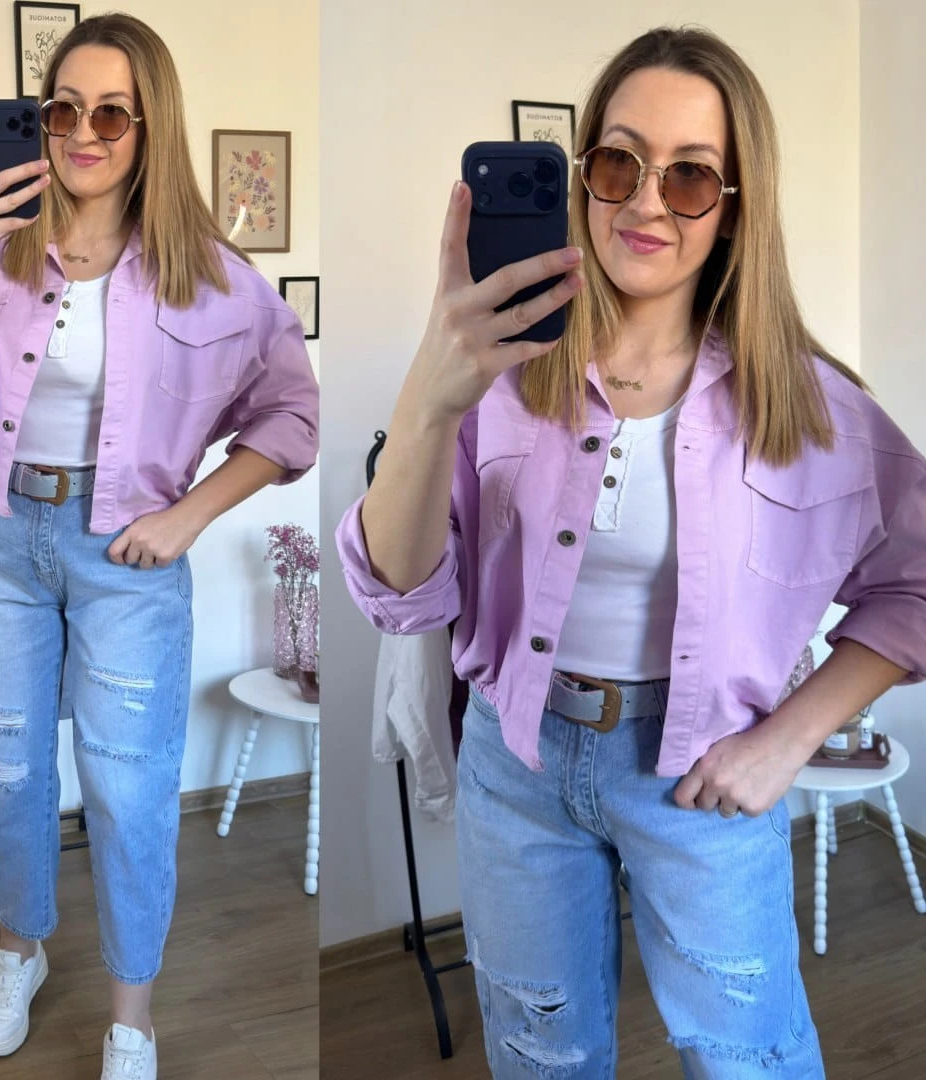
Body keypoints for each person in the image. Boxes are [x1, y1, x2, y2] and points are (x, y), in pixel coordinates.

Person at [336, 25, 926, 1079]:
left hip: (701, 775)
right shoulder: (497, 377)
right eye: (619, 162)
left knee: (752, 1060)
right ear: (584, 178)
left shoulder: (810, 408)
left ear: (734, 206)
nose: (646, 202)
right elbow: (401, 598)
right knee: (540, 1054)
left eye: (690, 176)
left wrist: (789, 739)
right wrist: (429, 399)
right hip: (516, 765)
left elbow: (916, 583)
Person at [0, 13, 317, 1080]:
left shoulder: (213, 277)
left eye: (111, 113)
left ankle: (132, 1014)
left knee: (128, 789)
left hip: (127, 559)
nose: (83, 131)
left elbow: (292, 418)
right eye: (63, 109)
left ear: (149, 124)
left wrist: (189, 515)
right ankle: (19, 950)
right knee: (7, 769)